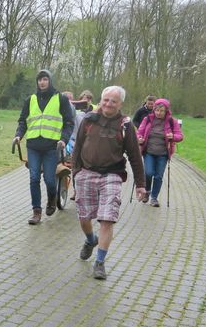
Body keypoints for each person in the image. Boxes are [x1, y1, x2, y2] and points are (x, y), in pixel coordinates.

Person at [73, 86, 146, 280]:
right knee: (84, 217)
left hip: (112, 175)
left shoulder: (125, 125)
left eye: (113, 101)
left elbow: (135, 155)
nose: (109, 104)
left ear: (120, 104)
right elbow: (78, 146)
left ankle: (99, 262)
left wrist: (140, 184)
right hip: (86, 173)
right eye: (106, 100)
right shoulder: (89, 120)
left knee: (107, 218)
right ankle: (90, 240)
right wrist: (76, 173)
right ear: (101, 100)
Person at [12, 69, 75, 225]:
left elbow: (69, 123)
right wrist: (19, 135)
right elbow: (23, 121)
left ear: (50, 81)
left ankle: (52, 200)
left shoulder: (61, 99)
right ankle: (36, 212)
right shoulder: (30, 99)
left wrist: (64, 140)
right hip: (33, 145)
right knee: (34, 178)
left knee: (49, 180)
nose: (42, 82)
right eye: (39, 79)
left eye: (45, 79)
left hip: (51, 147)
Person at [136, 98, 183, 207]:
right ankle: (147, 192)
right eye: (157, 110)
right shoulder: (147, 119)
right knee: (148, 172)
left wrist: (173, 137)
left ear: (166, 111)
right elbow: (139, 132)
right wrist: (139, 138)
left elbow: (180, 136)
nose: (159, 113)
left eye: (161, 111)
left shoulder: (172, 121)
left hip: (163, 154)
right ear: (154, 109)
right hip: (149, 152)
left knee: (158, 176)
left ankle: (154, 198)